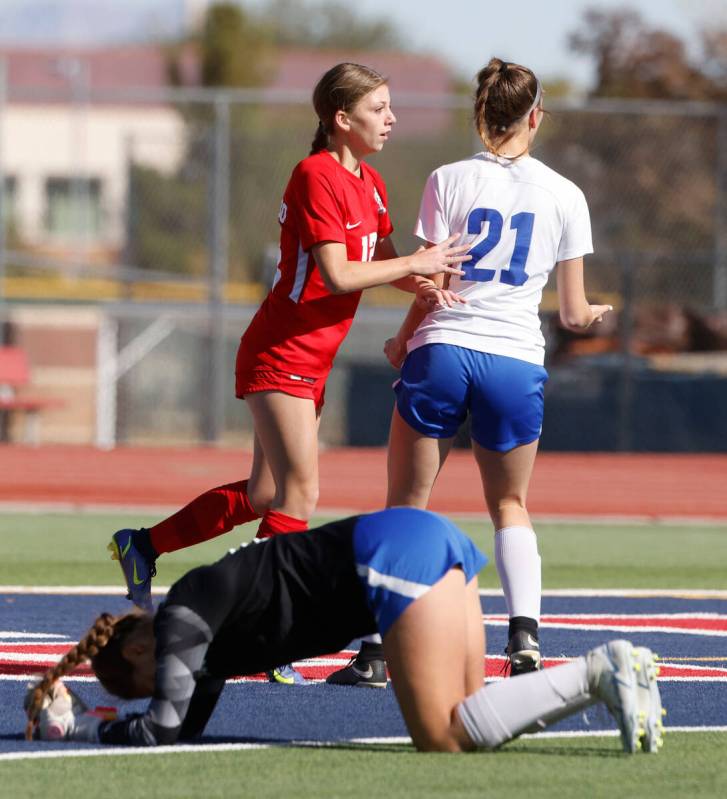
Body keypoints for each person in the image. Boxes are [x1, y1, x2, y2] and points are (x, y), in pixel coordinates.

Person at [108, 63, 470, 684]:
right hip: (281, 353)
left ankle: (142, 546)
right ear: (341, 118)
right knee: (301, 494)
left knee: (267, 497)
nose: (390, 118)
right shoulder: (314, 175)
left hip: (309, 360)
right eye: (378, 108)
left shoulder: (373, 184)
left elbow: (378, 261)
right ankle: (268, 638)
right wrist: (416, 261)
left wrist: (426, 282)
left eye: (389, 107)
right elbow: (336, 275)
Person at [327, 58, 613, 686]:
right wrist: (591, 314)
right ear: (535, 116)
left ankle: (377, 651)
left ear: (482, 114)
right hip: (514, 358)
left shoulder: (447, 178)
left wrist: (404, 340)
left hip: (445, 349)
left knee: (406, 504)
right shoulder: (567, 193)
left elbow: (434, 281)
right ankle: (525, 643)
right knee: (510, 502)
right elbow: (569, 311)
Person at [25, 508, 664, 754]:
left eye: (144, 678)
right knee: (471, 724)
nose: (165, 683)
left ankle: (597, 670)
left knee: (441, 736)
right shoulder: (204, 643)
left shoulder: (186, 610)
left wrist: (77, 727)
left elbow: (162, 724)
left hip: (388, 553)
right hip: (418, 536)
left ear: (141, 647)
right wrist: (98, 705)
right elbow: (185, 726)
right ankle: (609, 679)